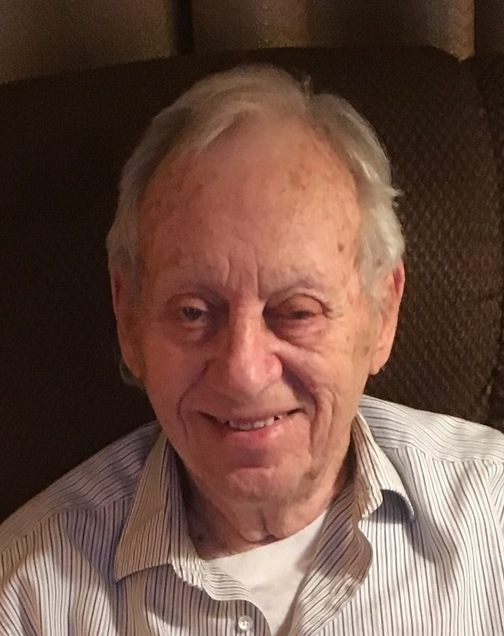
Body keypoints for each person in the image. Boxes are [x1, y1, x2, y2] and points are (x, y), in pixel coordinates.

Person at [0, 64, 503, 636]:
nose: (242, 373)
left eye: (297, 312)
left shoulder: (494, 514)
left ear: (382, 313)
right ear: (128, 317)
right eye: (193, 313)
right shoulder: (23, 599)